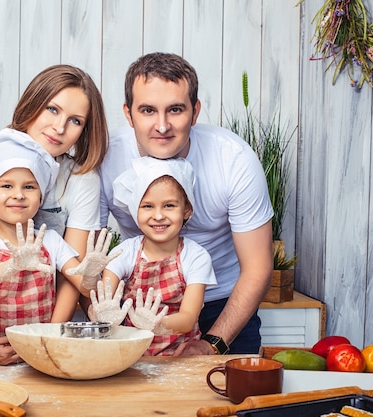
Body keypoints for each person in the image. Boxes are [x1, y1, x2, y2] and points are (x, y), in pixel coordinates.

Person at [0, 64, 109, 363]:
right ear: (32, 103)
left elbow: (71, 277)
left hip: (43, 325)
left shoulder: (81, 179)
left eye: (75, 120)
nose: (60, 127)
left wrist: (45, 339)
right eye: (52, 109)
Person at [99, 52, 274, 355]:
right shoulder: (105, 159)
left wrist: (213, 343)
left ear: (195, 112)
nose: (162, 125)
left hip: (223, 305)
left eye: (176, 110)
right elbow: (87, 258)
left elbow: (257, 267)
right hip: (140, 308)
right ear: (128, 115)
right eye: (148, 110)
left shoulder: (233, 159)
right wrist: (106, 319)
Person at [0, 129, 116, 339]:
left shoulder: (51, 241)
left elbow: (82, 288)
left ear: (40, 199)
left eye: (29, 187)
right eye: (6, 186)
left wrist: (91, 277)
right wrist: (11, 266)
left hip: (38, 348)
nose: (19, 194)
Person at [90, 157, 217, 356]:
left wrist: (157, 324)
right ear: (135, 210)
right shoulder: (126, 252)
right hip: (131, 357)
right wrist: (102, 314)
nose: (158, 216)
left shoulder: (196, 256)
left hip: (179, 358)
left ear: (186, 210)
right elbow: (101, 304)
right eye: (147, 206)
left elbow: (187, 319)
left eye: (169, 206)